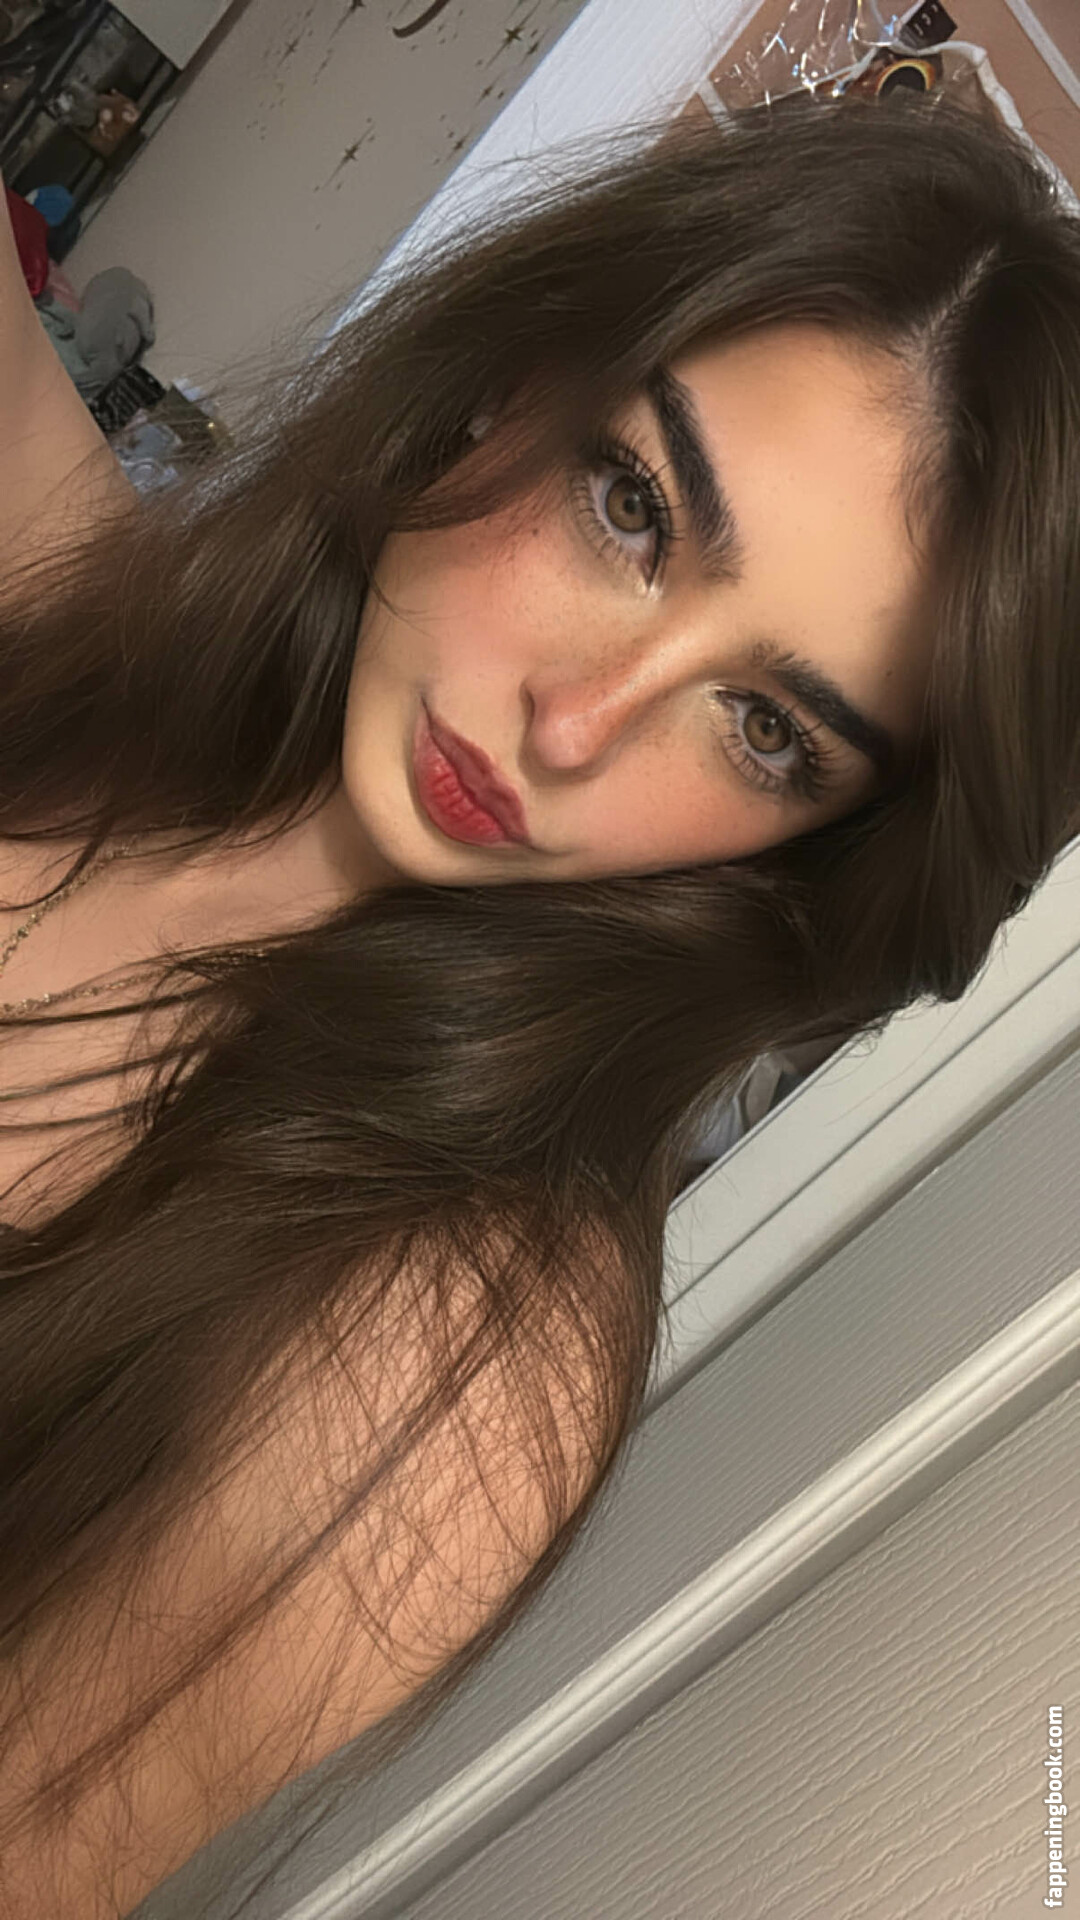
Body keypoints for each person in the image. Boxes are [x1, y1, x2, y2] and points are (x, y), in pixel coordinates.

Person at [0, 91, 1077, 1917]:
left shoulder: (457, 1360)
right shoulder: (86, 612)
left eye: (766, 726)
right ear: (517, 380)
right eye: (633, 509)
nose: (575, 728)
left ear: (813, 845)